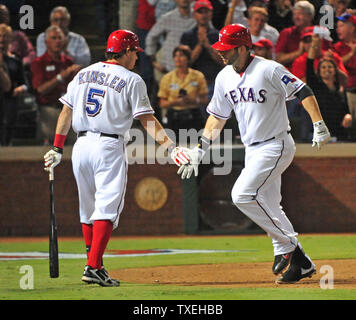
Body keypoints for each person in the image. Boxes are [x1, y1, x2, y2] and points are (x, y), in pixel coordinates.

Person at [175, 24, 331, 284]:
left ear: (244, 47)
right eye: (220, 48)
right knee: (270, 204)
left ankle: (294, 249)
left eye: (227, 48)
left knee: (242, 195)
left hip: (275, 144)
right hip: (252, 148)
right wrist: (200, 148)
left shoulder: (269, 68)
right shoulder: (224, 76)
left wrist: (318, 123)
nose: (222, 53)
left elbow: (302, 90)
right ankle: (292, 260)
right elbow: (216, 117)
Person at [43, 29, 187, 287]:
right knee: (107, 208)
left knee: (88, 210)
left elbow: (66, 112)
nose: (136, 58)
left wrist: (56, 148)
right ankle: (93, 266)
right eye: (135, 52)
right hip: (108, 146)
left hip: (81, 146)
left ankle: (94, 263)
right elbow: (146, 120)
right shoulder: (132, 79)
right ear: (127, 51)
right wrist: (171, 147)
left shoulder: (83, 73)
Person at [31, 26, 81, 145]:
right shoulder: (39, 63)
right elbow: (40, 89)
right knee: (49, 149)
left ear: (64, 41)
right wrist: (61, 76)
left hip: (68, 110)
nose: (57, 41)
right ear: (46, 41)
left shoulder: (68, 62)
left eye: (60, 38)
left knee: (72, 146)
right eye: (54, 38)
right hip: (49, 110)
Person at [306, 35, 352, 141]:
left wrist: (348, 116)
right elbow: (309, 64)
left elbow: (347, 111)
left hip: (339, 132)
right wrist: (314, 44)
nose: (327, 69)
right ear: (319, 71)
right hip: (320, 133)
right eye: (323, 67)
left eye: (330, 67)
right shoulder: (315, 85)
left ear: (335, 70)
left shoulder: (340, 88)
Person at [158, 44, 209, 140]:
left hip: (194, 116)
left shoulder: (198, 76)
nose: (178, 59)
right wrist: (175, 102)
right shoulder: (167, 78)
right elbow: (162, 103)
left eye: (181, 55)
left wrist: (192, 100)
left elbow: (205, 99)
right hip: (174, 116)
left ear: (188, 58)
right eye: (176, 56)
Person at [180, 0, 223, 105]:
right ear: (194, 15)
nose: (203, 15)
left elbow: (222, 61)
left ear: (211, 14)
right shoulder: (187, 36)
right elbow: (186, 62)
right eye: (200, 12)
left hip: (214, 83)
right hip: (193, 84)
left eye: (206, 12)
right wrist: (200, 44)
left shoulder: (218, 35)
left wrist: (207, 45)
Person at [145, 0, 196, 74]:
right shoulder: (167, 18)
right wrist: (153, 61)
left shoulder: (199, 16)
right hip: (170, 68)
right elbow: (151, 37)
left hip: (193, 68)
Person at [276, 1, 316, 70]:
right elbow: (279, 59)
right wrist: (298, 53)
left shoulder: (318, 33)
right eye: (294, 14)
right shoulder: (286, 33)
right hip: (291, 74)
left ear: (310, 16)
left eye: (300, 14)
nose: (296, 17)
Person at [334, 13, 356, 131]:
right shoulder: (337, 47)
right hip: (347, 92)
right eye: (337, 27)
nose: (338, 29)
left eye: (341, 26)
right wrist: (351, 54)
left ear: (352, 28)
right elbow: (334, 65)